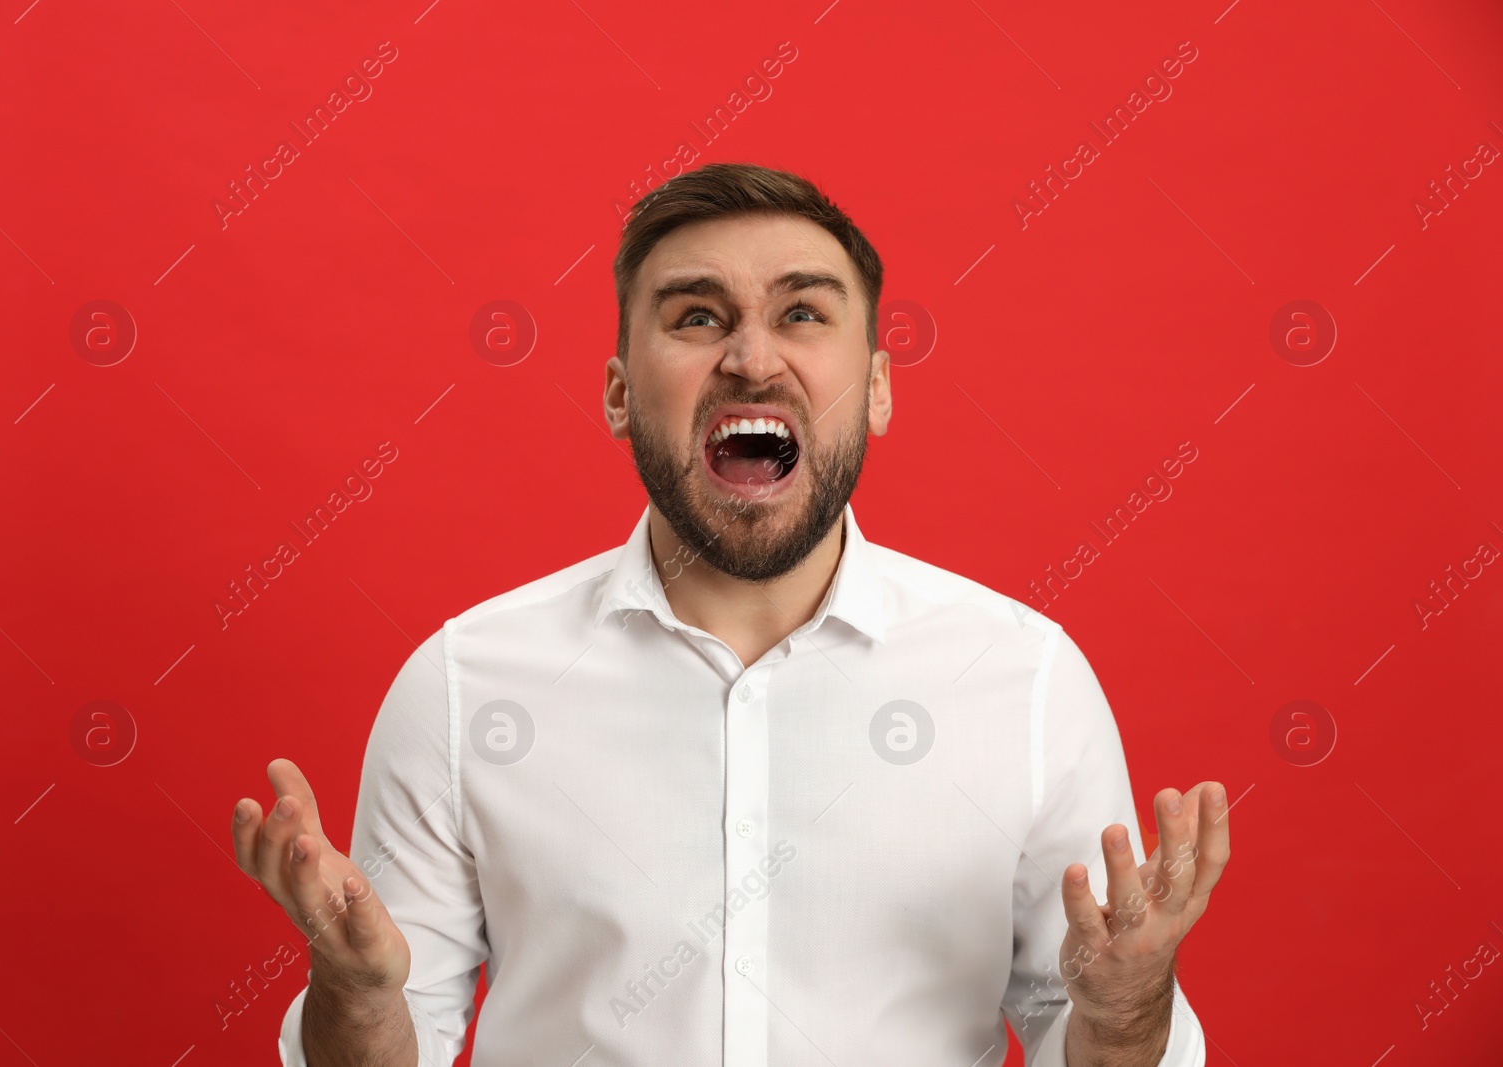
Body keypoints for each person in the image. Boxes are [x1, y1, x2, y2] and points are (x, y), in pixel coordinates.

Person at [231, 162, 1230, 1067]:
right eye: (698, 317)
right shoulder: (462, 684)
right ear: (622, 396)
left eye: (802, 314)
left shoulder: (1024, 680)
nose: (752, 358)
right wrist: (355, 995)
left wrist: (1130, 1002)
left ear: (875, 388)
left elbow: (1091, 1042)